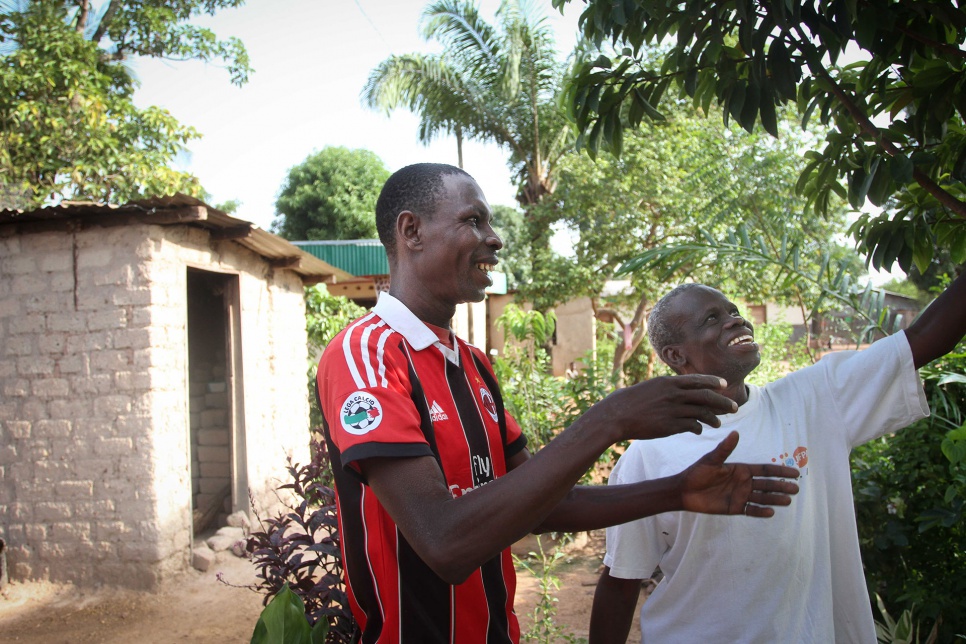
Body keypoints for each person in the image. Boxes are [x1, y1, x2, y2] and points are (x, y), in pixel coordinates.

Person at [315, 163, 801, 643]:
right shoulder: (366, 357)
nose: (494, 237)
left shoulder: (471, 364)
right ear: (411, 231)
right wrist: (610, 419)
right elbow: (445, 541)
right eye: (473, 220)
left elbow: (546, 507)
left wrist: (676, 492)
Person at [589, 276, 966, 644]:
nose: (735, 320)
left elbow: (921, 342)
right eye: (711, 319)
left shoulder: (813, 400)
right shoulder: (648, 456)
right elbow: (621, 581)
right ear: (676, 355)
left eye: (733, 311)